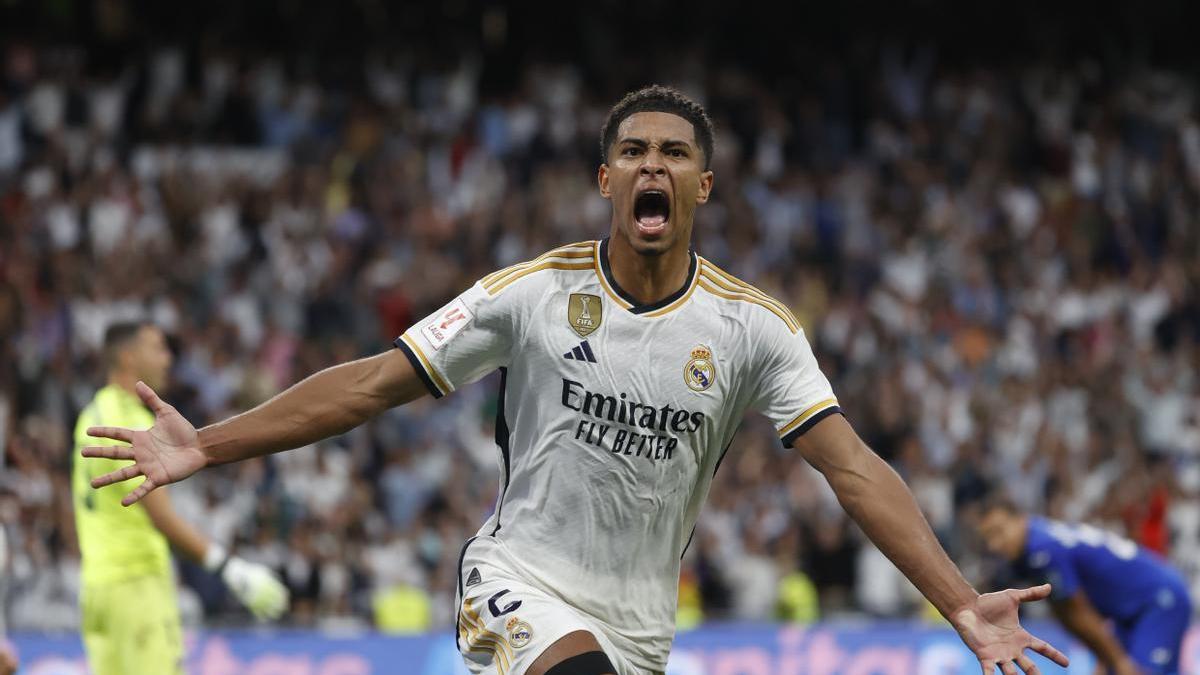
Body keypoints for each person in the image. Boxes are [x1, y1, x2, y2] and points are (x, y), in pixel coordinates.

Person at [83, 86, 1068, 675]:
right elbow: (374, 384)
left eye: (674, 154)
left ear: (702, 186)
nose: (653, 166)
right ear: (608, 182)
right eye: (633, 152)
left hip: (641, 625)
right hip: (516, 582)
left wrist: (957, 599)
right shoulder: (529, 295)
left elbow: (852, 469)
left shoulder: (754, 330)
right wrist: (208, 442)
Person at [72, 322, 290, 675]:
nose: (168, 359)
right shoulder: (131, 422)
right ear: (128, 357)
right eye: (158, 348)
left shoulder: (91, 414)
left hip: (97, 590)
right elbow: (161, 516)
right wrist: (230, 568)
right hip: (137, 587)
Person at [977, 497, 1192, 675]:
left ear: (1020, 519)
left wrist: (1116, 660)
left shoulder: (1041, 549)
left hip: (1158, 601)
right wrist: (1107, 658)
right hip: (1131, 612)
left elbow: (1077, 612)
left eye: (999, 531)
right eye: (988, 538)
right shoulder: (1034, 545)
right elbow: (1067, 615)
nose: (995, 544)